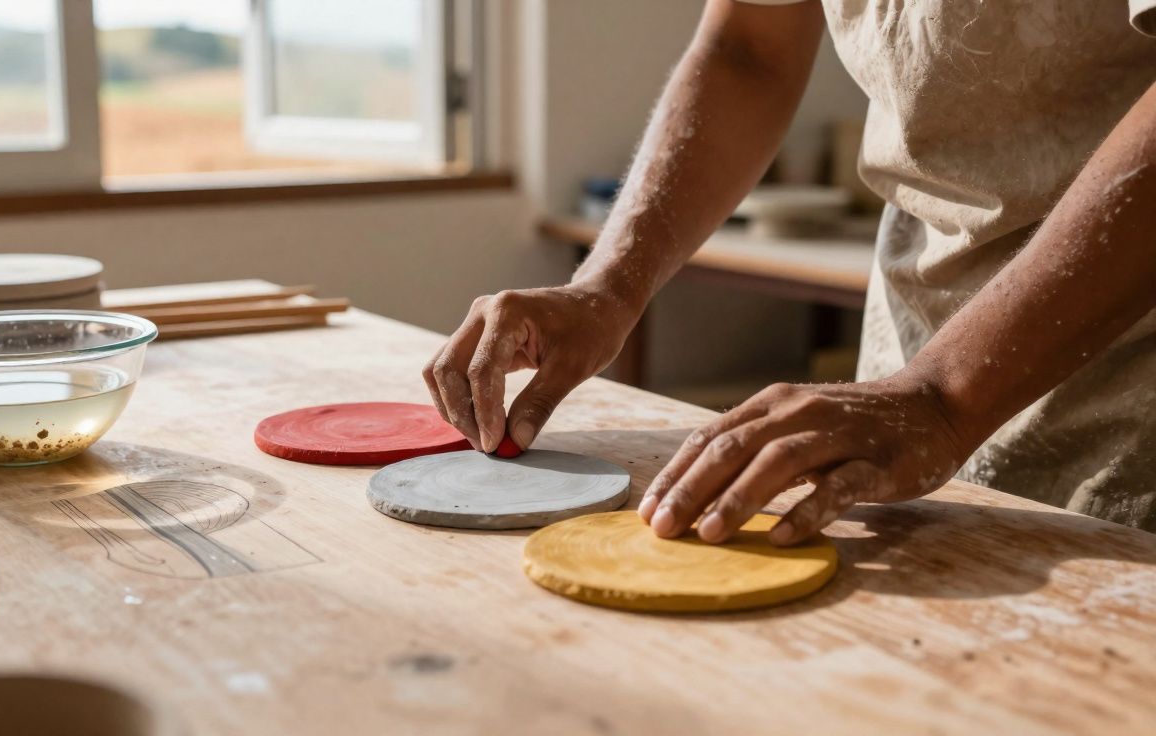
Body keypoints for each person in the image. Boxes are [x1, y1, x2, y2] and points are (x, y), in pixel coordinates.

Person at [425, 0, 1156, 544]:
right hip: (907, 361)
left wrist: (946, 395)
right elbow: (751, 47)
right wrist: (606, 286)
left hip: (1125, 388)